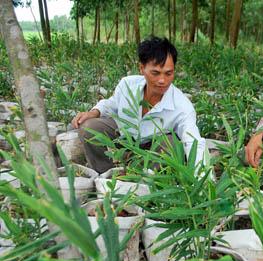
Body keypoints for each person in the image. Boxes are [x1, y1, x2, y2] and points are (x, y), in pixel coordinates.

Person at [71, 36, 205, 173]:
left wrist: (204, 180)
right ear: (142, 68)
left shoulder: (182, 106)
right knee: (89, 127)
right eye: (155, 73)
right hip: (125, 138)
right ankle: (106, 175)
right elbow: (111, 104)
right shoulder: (128, 85)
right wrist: (94, 112)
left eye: (168, 73)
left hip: (154, 149)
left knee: (172, 144)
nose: (162, 80)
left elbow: (193, 142)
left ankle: (146, 181)